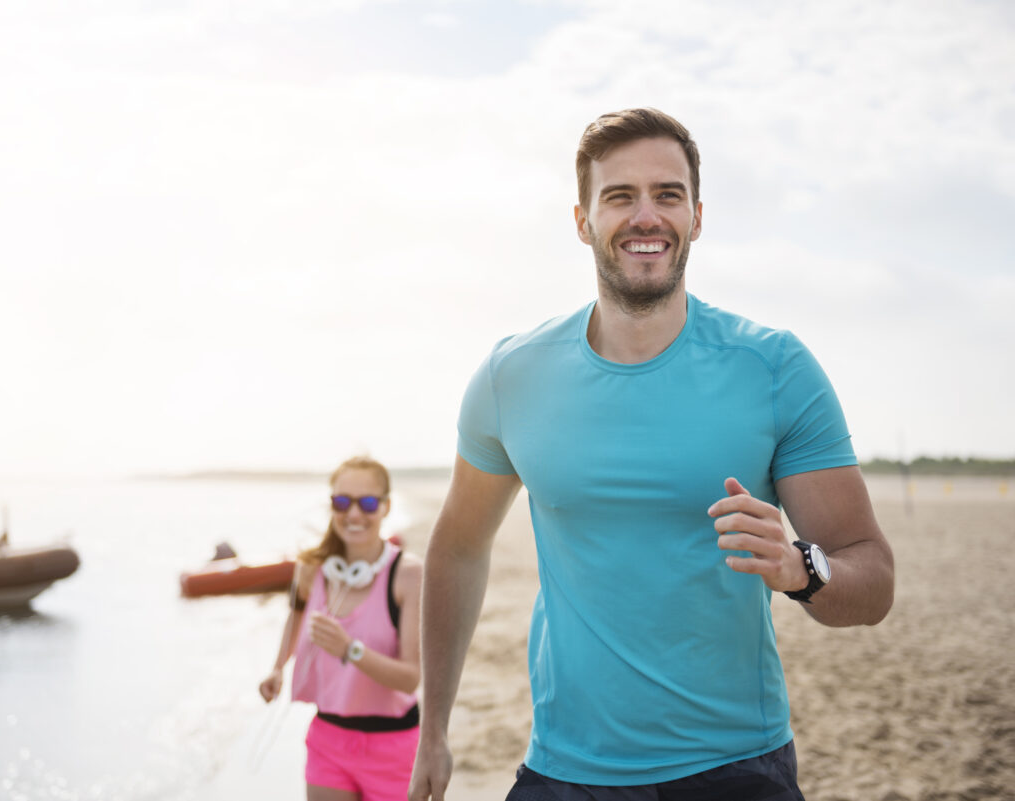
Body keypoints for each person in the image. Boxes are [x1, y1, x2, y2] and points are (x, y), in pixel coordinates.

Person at [408, 109, 895, 801]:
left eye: (667, 195)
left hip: (734, 769)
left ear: (697, 216)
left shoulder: (775, 367)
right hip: (564, 770)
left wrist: (797, 568)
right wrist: (435, 727)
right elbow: (458, 547)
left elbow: (872, 579)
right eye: (620, 196)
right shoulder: (510, 376)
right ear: (582, 220)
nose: (646, 216)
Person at [260, 455, 424, 801]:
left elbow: (411, 677)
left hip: (394, 747)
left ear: (386, 507)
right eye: (341, 501)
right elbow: (296, 616)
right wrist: (277, 668)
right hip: (328, 739)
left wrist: (350, 649)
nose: (353, 514)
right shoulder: (312, 568)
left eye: (367, 503)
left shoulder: (408, 574)